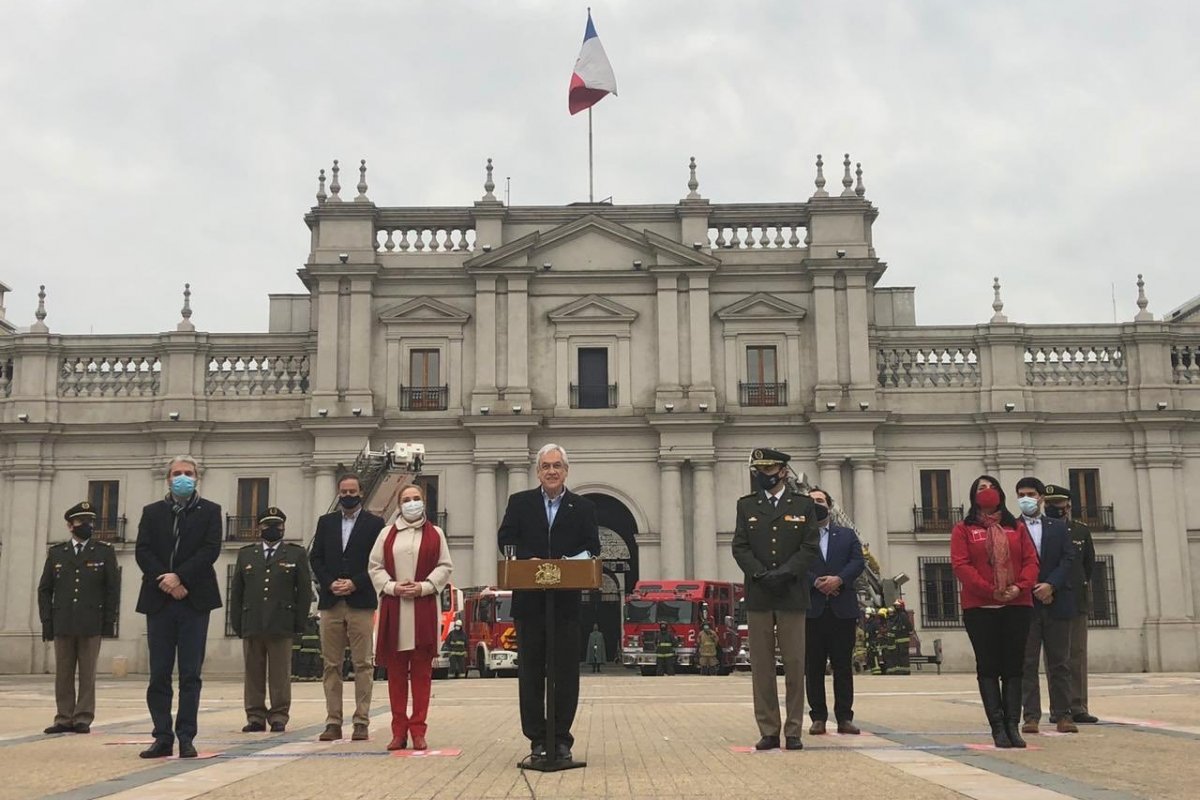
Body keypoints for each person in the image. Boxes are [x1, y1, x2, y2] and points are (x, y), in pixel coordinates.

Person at [497, 443, 600, 763]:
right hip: (529, 602)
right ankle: (538, 739)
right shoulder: (519, 503)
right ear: (537, 472)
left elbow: (592, 546)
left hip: (566, 603)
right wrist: (530, 559)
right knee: (530, 672)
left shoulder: (582, 507)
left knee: (566, 672)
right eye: (545, 466)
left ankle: (562, 739)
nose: (552, 471)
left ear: (566, 471)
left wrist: (567, 563)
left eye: (557, 466)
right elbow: (505, 540)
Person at [732, 447, 821, 751]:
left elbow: (809, 547)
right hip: (759, 593)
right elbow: (740, 546)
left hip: (792, 592)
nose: (762, 476)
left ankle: (794, 729)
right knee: (761, 665)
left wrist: (785, 573)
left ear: (783, 471)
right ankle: (769, 729)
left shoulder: (803, 505)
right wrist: (759, 573)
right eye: (758, 470)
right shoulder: (746, 506)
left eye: (768, 470)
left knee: (795, 663)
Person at [134, 456, 222, 759]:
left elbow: (210, 550)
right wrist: (167, 581)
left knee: (189, 674)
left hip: (194, 601)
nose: (182, 477)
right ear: (167, 478)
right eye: (176, 473)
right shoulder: (152, 512)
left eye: (188, 473)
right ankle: (162, 736)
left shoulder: (210, 511)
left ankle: (186, 736)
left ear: (197, 477)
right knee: (158, 673)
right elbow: (142, 550)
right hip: (159, 600)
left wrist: (181, 577)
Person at [951, 474, 1039, 748]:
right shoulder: (963, 529)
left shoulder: (1016, 528)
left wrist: (1019, 587)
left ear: (1000, 493)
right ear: (973, 495)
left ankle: (1014, 725)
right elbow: (961, 565)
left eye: (991, 487)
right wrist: (990, 590)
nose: (987, 491)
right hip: (981, 608)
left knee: (1014, 668)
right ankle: (998, 727)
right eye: (981, 488)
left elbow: (1031, 561)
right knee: (988, 667)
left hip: (1016, 605)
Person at [369, 483, 453, 751]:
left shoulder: (436, 533)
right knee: (395, 675)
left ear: (423, 502)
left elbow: (445, 566)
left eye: (416, 498)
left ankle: (418, 730)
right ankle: (398, 731)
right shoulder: (386, 534)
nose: (412, 502)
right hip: (394, 609)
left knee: (421, 674)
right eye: (407, 499)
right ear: (399, 504)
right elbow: (375, 567)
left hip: (423, 608)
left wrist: (424, 586)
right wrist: (393, 587)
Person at [308, 472, 386, 742]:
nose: (348, 496)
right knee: (331, 664)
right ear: (338, 493)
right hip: (331, 603)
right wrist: (330, 583)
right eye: (344, 492)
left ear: (361, 493)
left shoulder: (375, 524)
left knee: (363, 663)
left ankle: (361, 721)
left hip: (361, 602)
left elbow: (379, 562)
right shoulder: (326, 522)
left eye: (353, 492)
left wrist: (355, 583)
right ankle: (333, 721)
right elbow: (315, 557)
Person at [37, 501, 119, 735]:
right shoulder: (56, 553)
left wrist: (108, 621)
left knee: (87, 673)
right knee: (63, 673)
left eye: (90, 521)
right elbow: (45, 589)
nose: (87, 525)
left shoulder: (104, 551)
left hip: (91, 621)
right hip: (63, 621)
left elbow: (112, 589)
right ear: (70, 525)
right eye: (81, 521)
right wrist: (47, 621)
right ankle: (63, 717)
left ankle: (83, 717)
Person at [230, 507, 312, 734]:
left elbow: (304, 591)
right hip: (252, 621)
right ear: (259, 528)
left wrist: (299, 623)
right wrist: (237, 622)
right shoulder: (246, 554)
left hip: (281, 622)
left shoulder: (296, 554)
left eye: (277, 525)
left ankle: (279, 715)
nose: (273, 529)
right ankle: (255, 716)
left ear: (284, 527)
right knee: (253, 672)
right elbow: (237, 592)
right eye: (268, 525)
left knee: (280, 674)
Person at [1015, 477, 1078, 735]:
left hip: (1057, 602)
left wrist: (1051, 585)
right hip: (1026, 605)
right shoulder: (1011, 527)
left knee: (1060, 663)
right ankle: (1030, 716)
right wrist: (1032, 588)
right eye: (1021, 494)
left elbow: (1069, 558)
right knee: (1027, 663)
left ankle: (1063, 714)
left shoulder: (1058, 527)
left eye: (1030, 493)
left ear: (1040, 497)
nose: (1025, 498)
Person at [803, 487, 865, 735]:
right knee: (813, 666)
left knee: (842, 666)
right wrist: (816, 581)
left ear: (829, 505)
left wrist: (838, 579)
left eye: (820, 501)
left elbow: (857, 562)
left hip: (842, 609)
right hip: (812, 609)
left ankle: (844, 718)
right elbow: (794, 564)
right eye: (811, 502)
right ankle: (818, 717)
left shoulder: (847, 535)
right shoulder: (799, 537)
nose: (817, 505)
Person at [1044, 483, 1098, 724]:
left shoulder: (1081, 532)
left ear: (1068, 505)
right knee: (1055, 657)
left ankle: (1078, 706)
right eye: (1049, 504)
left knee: (1077, 654)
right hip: (1048, 599)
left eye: (1057, 504)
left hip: (1075, 600)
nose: (1053, 508)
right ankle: (1059, 709)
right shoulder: (1041, 530)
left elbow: (1088, 566)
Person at [888, 600, 913, 675]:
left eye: (898, 606)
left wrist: (909, 631)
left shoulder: (903, 615)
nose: (896, 607)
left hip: (903, 639)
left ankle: (906, 671)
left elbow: (909, 626)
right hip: (898, 640)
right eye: (896, 606)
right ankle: (901, 671)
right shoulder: (897, 615)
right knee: (899, 656)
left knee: (903, 655)